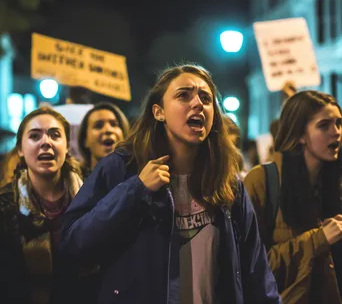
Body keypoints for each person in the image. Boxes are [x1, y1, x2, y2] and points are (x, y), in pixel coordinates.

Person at [59, 63, 280, 304]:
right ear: (158, 112)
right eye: (183, 95)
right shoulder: (121, 168)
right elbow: (73, 243)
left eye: (205, 98)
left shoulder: (227, 182)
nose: (197, 103)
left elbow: (256, 270)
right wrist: (136, 190)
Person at [243, 90, 342, 304]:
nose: (336, 132)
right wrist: (319, 239)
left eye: (339, 123)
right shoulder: (262, 181)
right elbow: (249, 264)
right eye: (324, 125)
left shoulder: (336, 182)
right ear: (299, 134)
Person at [0, 106, 93, 304]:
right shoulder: (5, 206)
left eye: (55, 135)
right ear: (20, 150)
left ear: (67, 146)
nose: (46, 142)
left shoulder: (92, 196)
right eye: (35, 136)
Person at [77, 101, 130, 176]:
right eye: (98, 126)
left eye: (114, 124)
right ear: (84, 140)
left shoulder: (141, 178)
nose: (108, 130)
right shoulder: (73, 183)